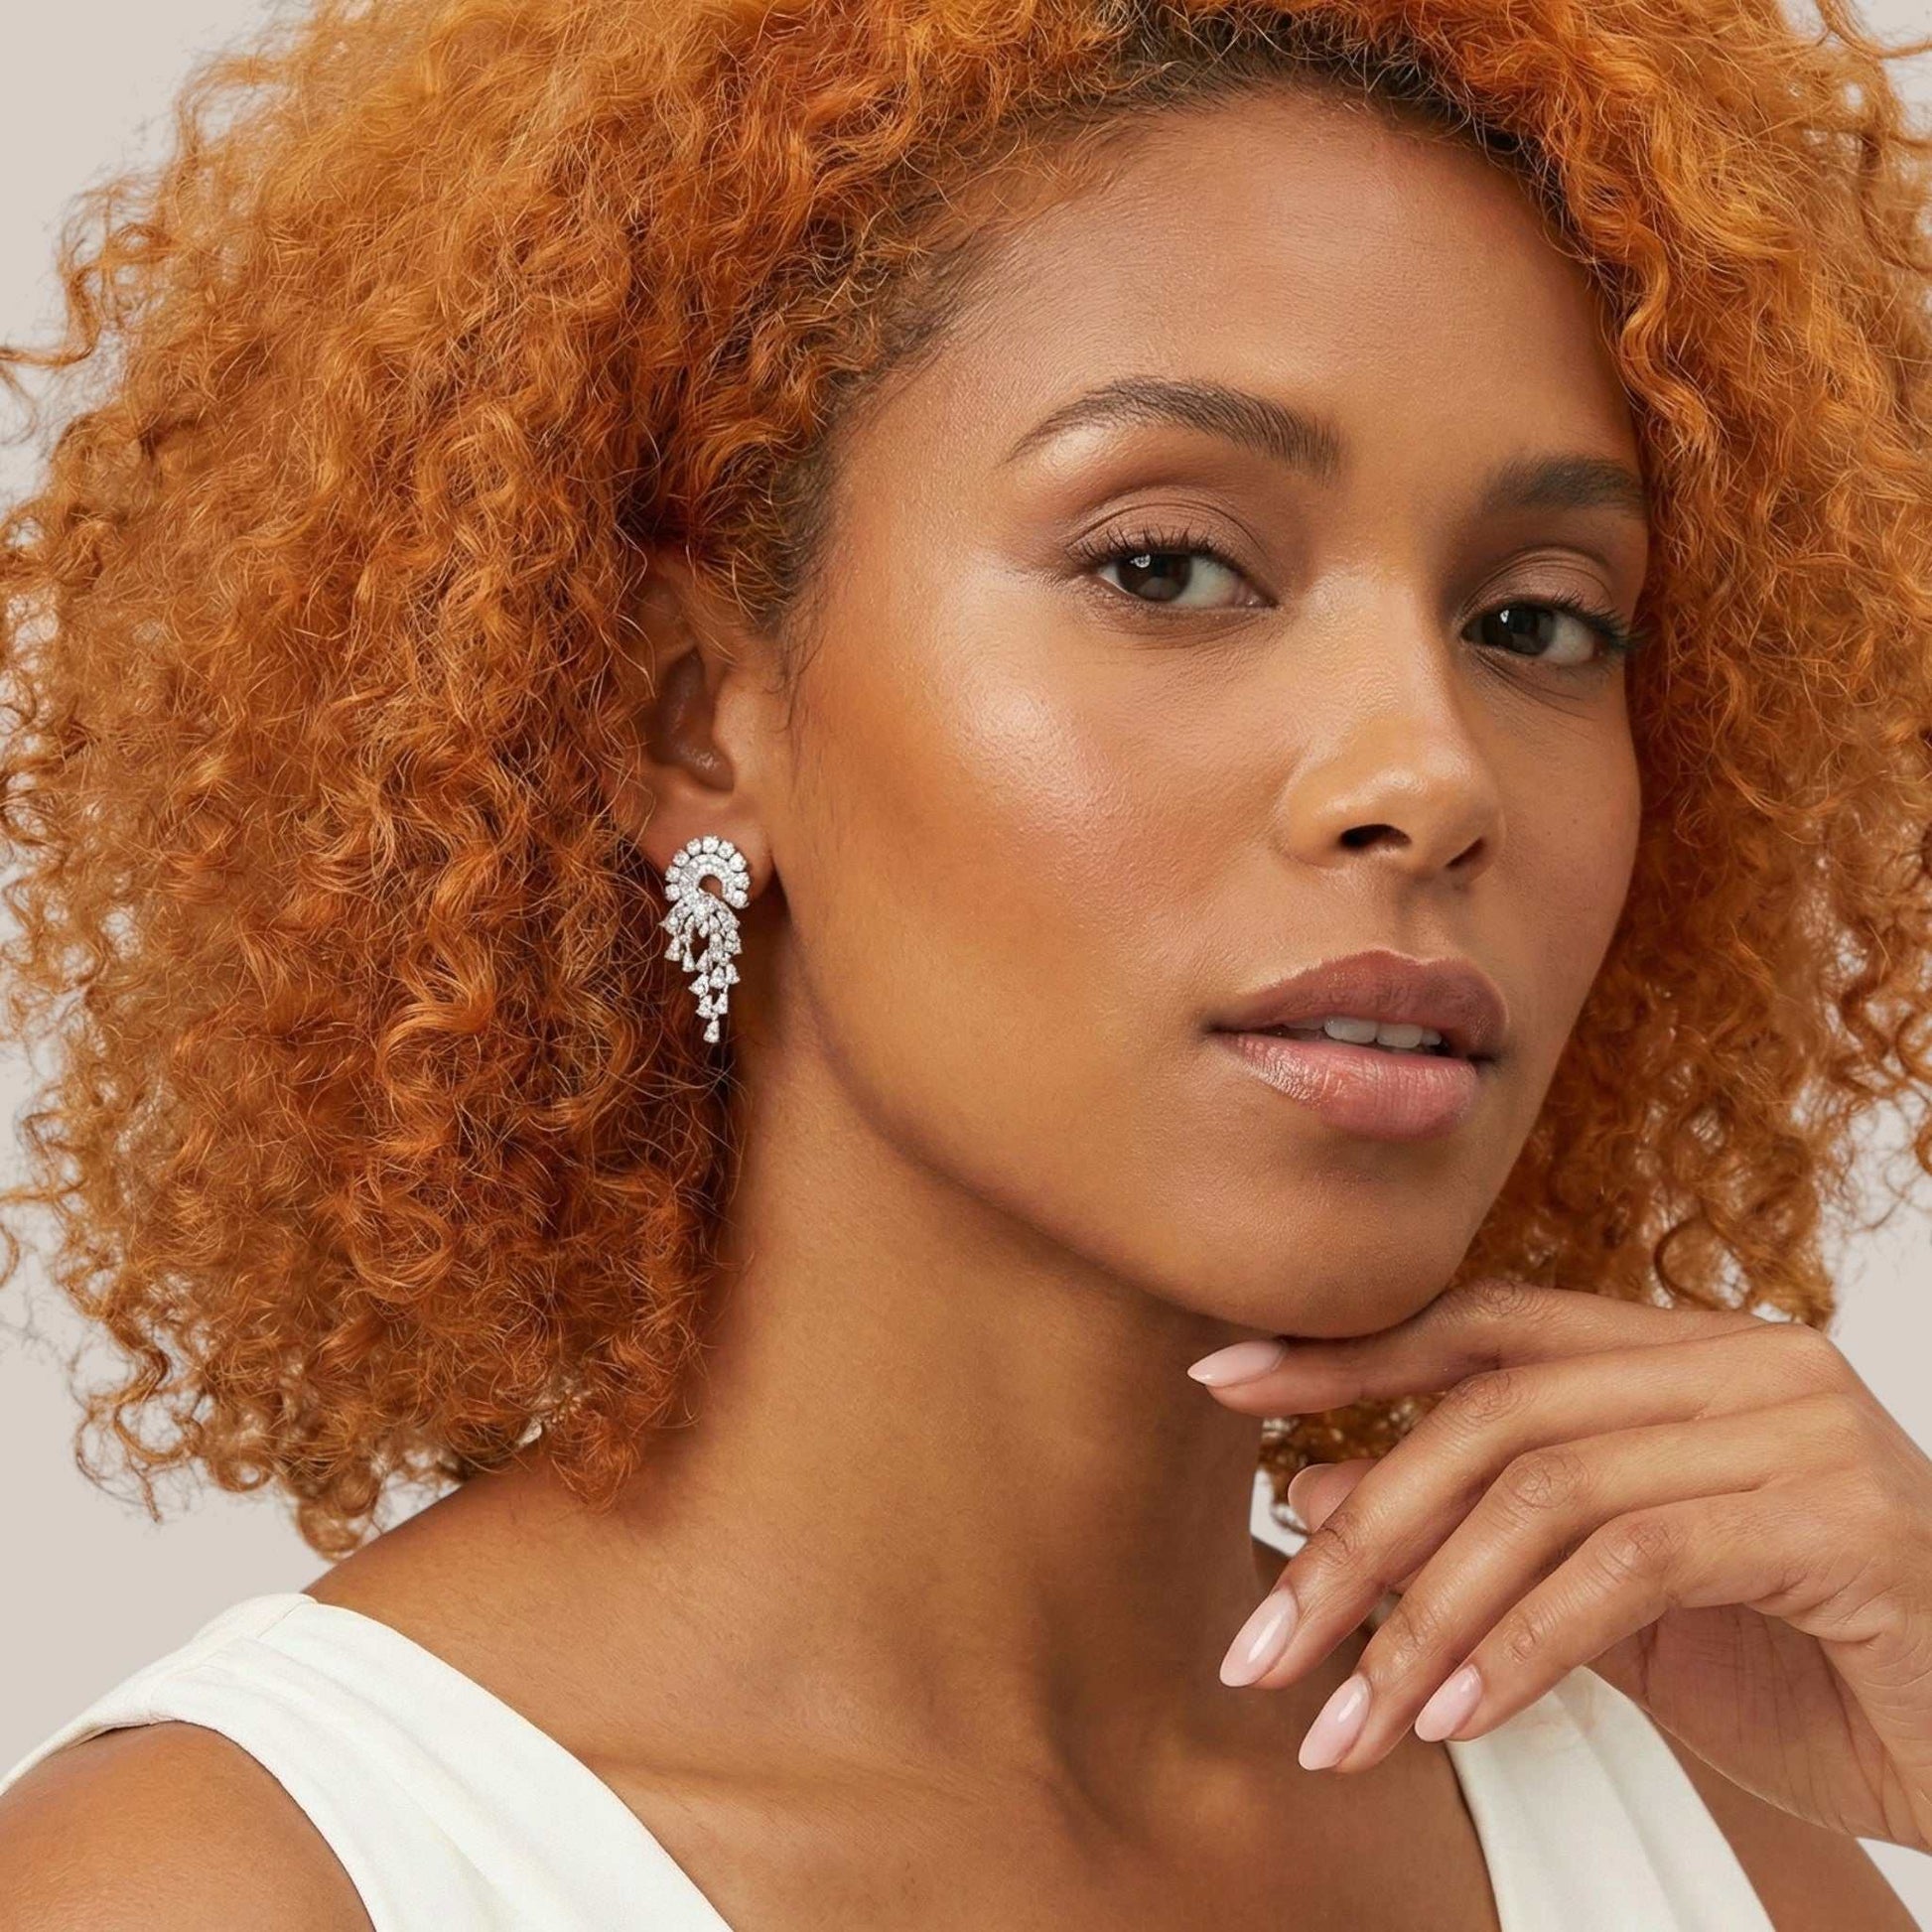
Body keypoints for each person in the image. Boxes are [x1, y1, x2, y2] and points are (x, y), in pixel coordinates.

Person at [1, 0, 1929, 1925]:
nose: (1427, 773)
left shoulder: (1723, 1833)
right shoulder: (241, 1884)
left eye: (1536, 619)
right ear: (691, 722)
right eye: (1166, 565)